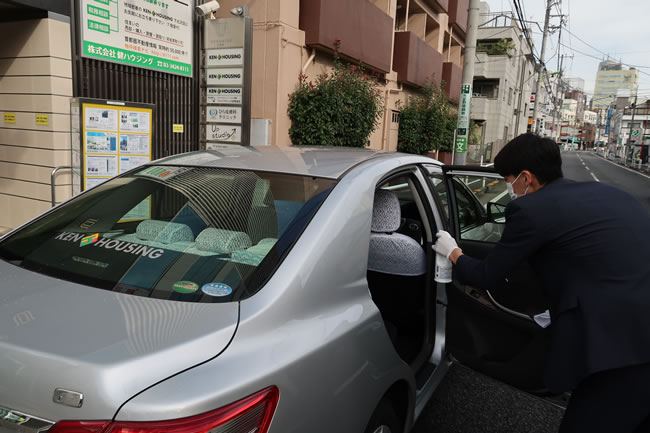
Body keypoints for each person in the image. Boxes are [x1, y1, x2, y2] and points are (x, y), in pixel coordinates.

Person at [433, 133, 650, 433]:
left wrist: (453, 252)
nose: (508, 189)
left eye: (507, 180)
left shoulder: (531, 211)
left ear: (525, 178)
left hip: (624, 348)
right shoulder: (608, 195)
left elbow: (485, 275)